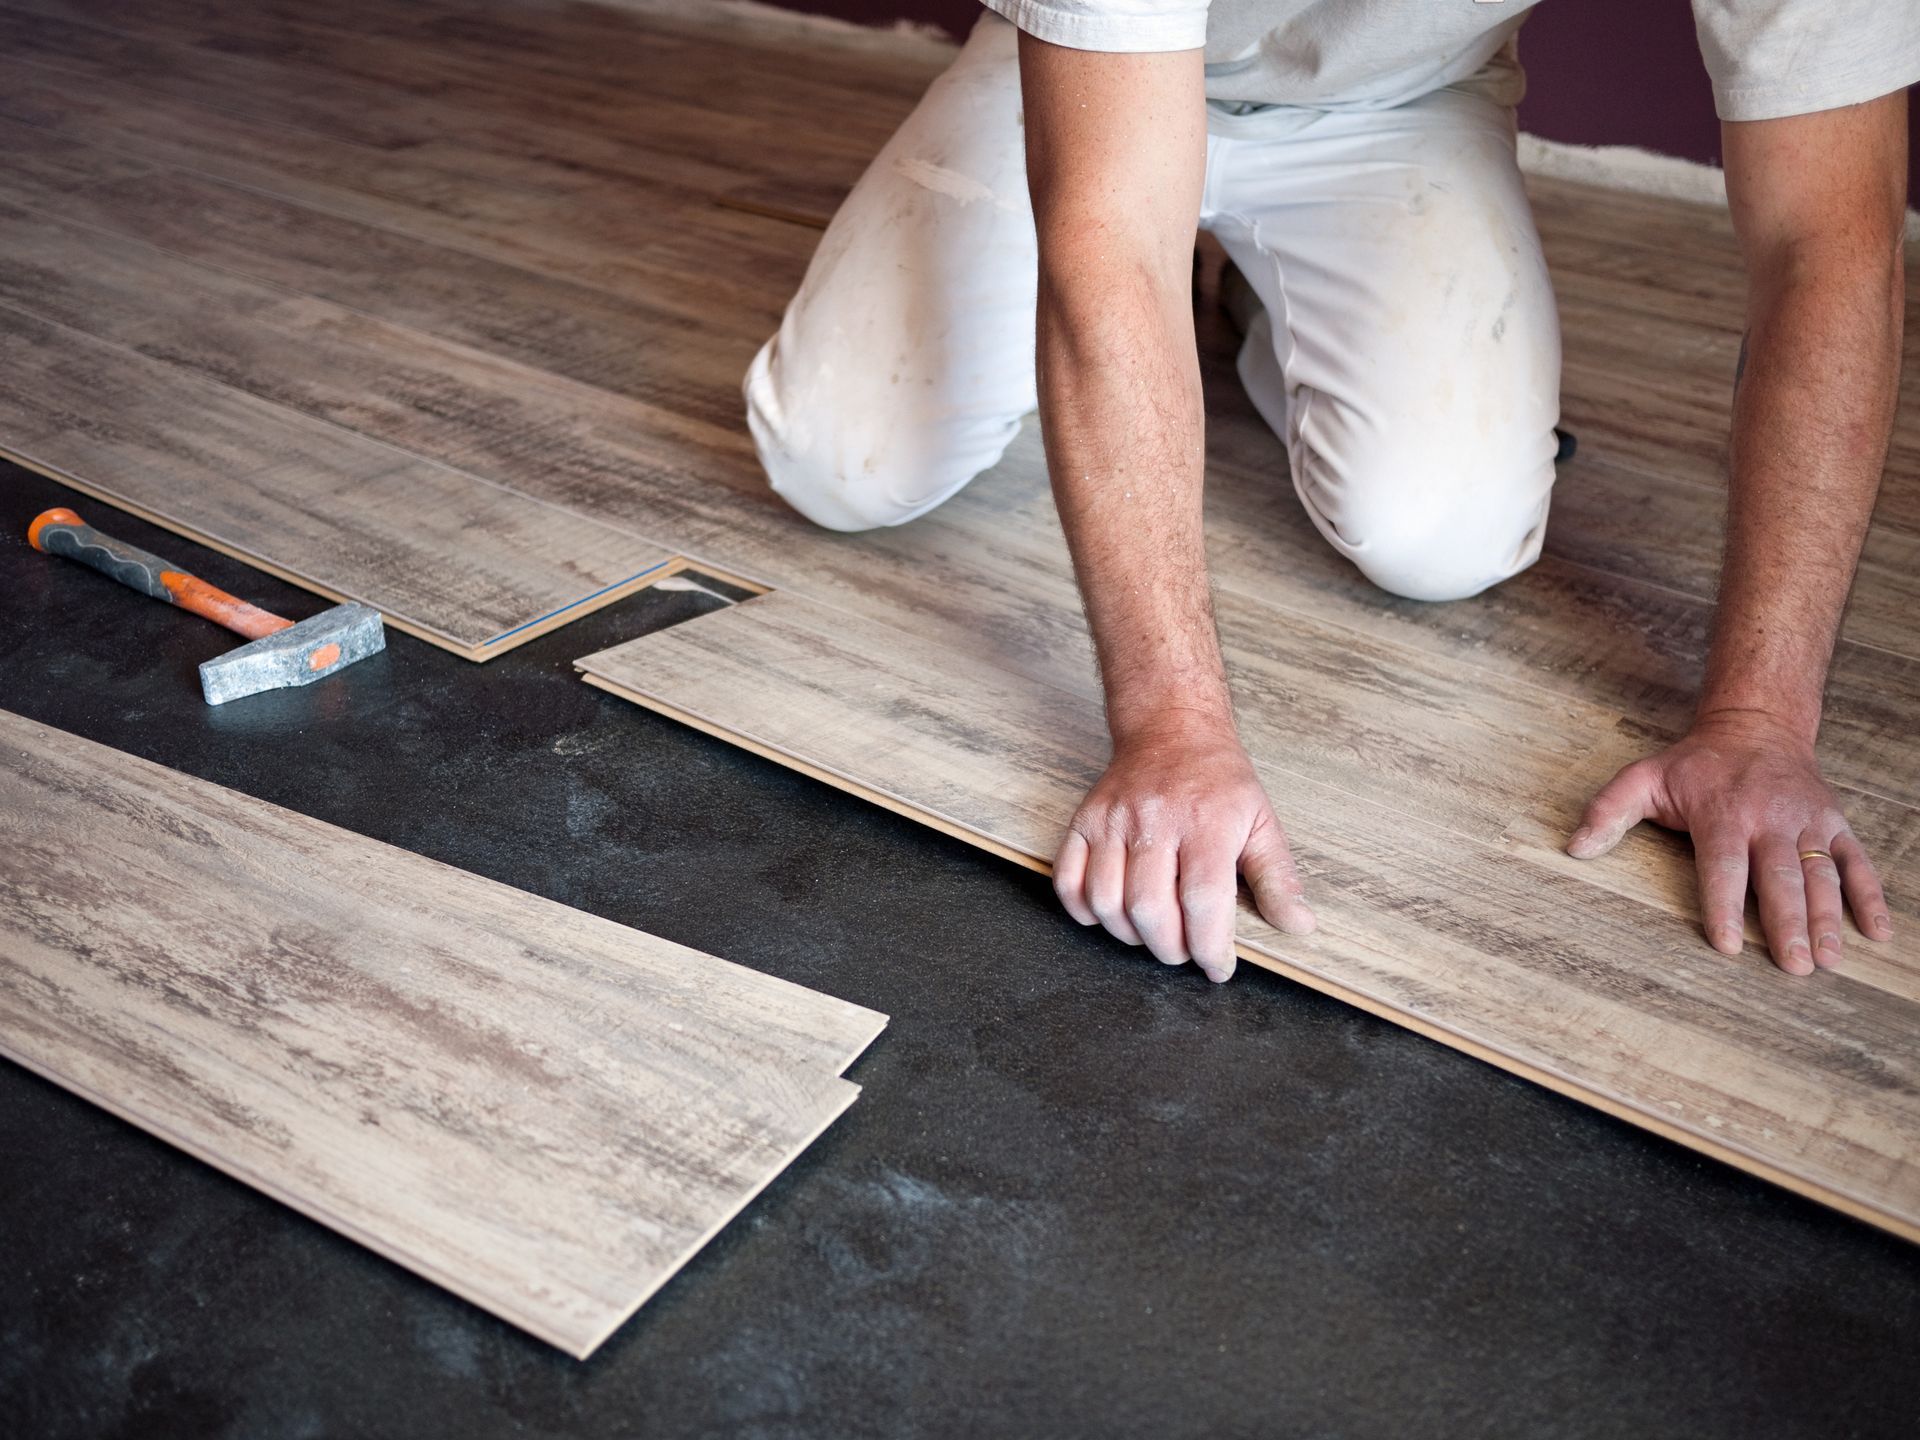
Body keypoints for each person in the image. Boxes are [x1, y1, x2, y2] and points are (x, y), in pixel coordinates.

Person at [744, 1, 1916, 982]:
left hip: (1395, 104)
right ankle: (1196, 279)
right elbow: (1108, 233)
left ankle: (1258, 305)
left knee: (1446, 538)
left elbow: (1832, 241)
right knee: (840, 460)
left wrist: (1762, 722)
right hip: (1084, 78)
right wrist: (1172, 729)